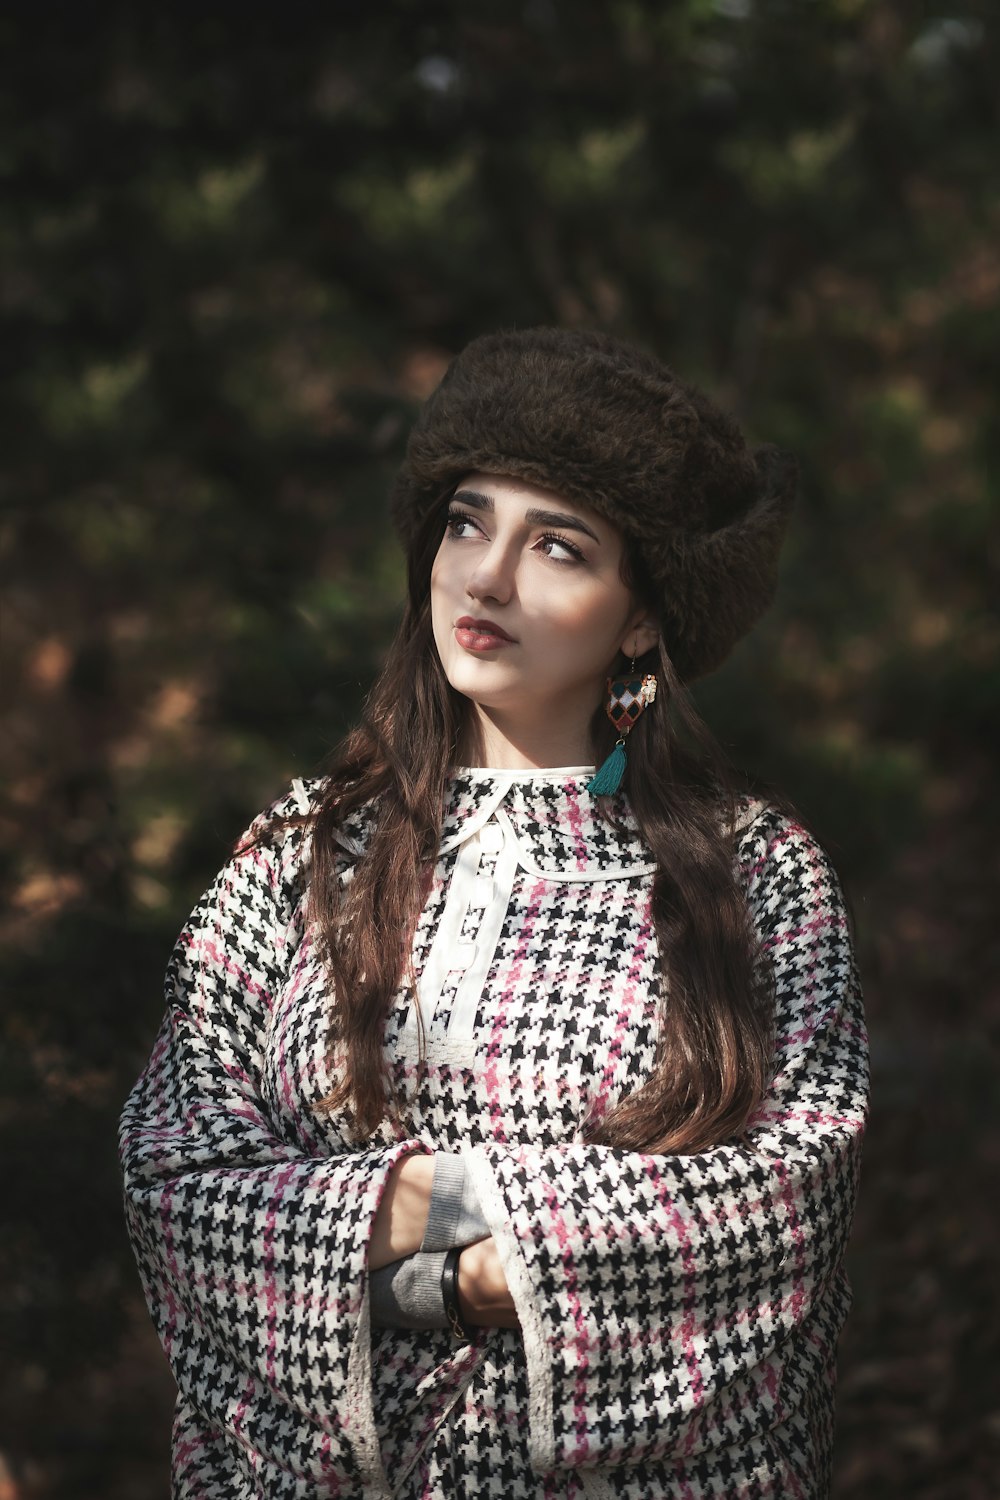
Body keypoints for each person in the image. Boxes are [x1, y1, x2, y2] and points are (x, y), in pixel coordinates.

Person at [119, 327, 869, 1499]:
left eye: (556, 546)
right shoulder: (300, 849)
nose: (486, 576)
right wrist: (513, 1239)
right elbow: (177, 1179)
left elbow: (776, 1202)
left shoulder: (755, 875)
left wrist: (428, 1248)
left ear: (638, 618)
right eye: (467, 522)